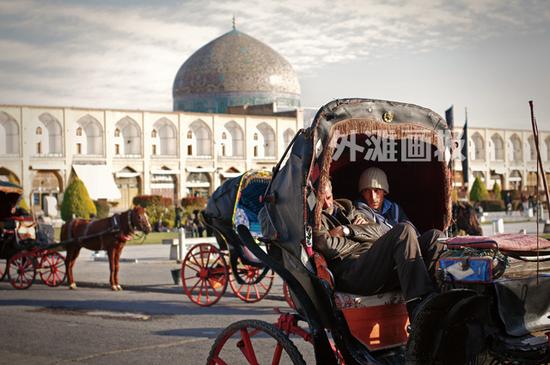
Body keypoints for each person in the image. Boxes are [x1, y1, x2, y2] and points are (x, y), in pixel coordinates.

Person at [315, 179, 443, 320]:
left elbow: (377, 230)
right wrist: (362, 234)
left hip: (374, 262)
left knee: (435, 237)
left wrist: (347, 230)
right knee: (403, 231)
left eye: (328, 197)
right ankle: (418, 305)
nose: (327, 204)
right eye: (321, 200)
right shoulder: (314, 219)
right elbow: (328, 246)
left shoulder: (347, 207)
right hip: (352, 271)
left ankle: (435, 300)